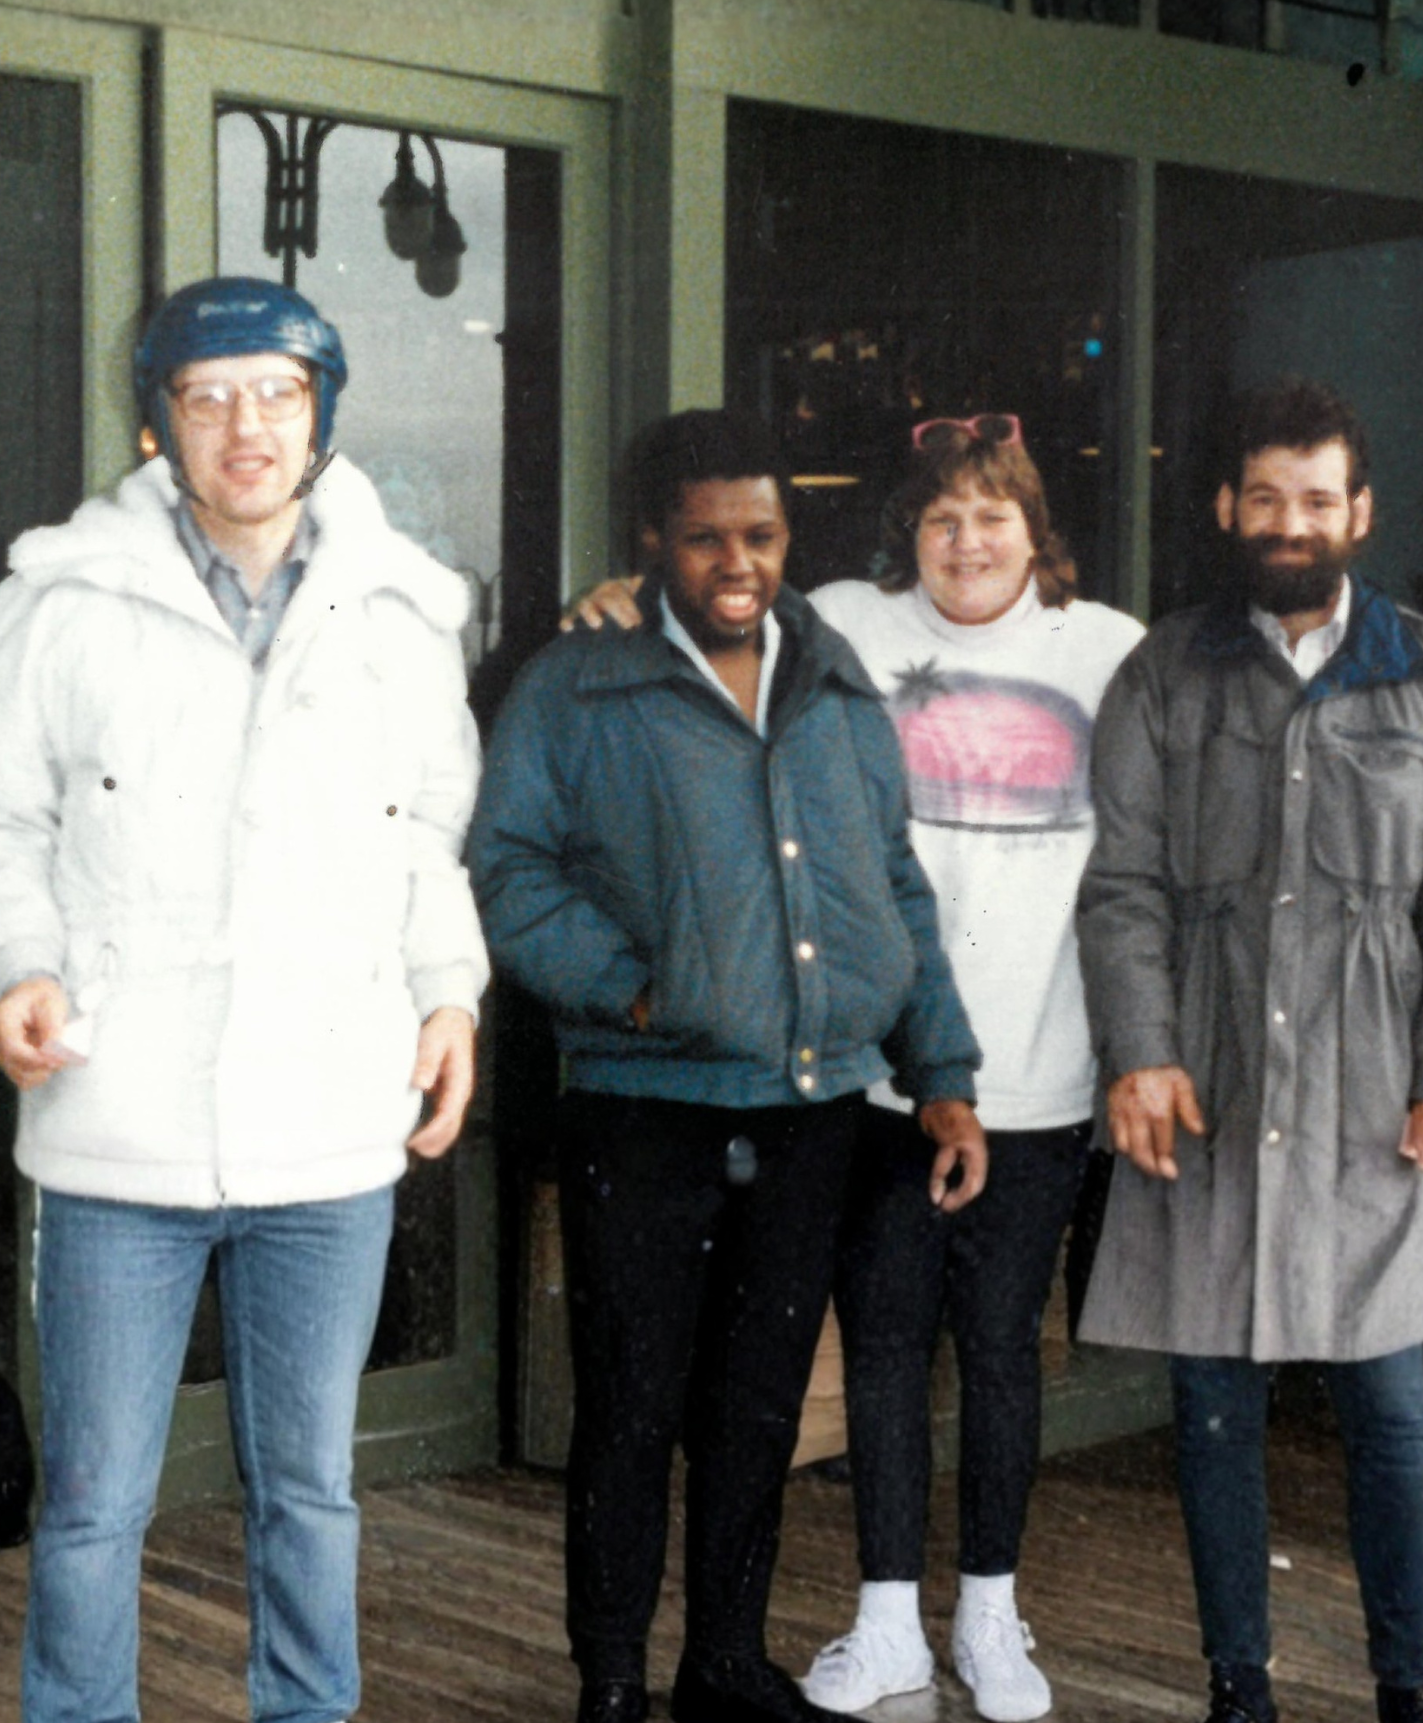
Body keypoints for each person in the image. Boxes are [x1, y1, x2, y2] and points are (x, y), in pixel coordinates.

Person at [0, 276, 487, 1723]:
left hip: (331, 1127)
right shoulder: (60, 606)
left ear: (321, 417)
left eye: (278, 392)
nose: (247, 425)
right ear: (158, 420)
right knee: (95, 1497)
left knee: (311, 1485)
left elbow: (426, 834)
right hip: (119, 1123)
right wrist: (20, 963)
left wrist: (450, 993)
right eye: (210, 393)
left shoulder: (403, 618)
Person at [567, 412, 1144, 1722]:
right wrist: (602, 597)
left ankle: (991, 1614)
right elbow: (701, 615)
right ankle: (889, 1618)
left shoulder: (1107, 650)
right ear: (909, 534)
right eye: (942, 517)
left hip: (1038, 1073)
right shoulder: (847, 624)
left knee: (1000, 1347)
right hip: (873, 1078)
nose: (967, 540)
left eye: (993, 514)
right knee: (882, 1343)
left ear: (1035, 530)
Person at [467, 408, 988, 1723]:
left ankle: (725, 1663)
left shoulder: (833, 675)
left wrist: (943, 1068)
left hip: (811, 1108)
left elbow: (891, 882)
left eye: (760, 533)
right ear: (654, 542)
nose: (738, 562)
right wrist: (629, 985)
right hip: (644, 1110)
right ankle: (615, 1679)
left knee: (757, 1411)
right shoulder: (574, 685)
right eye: (706, 539)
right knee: (633, 1410)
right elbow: (505, 868)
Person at [1074, 378, 1423, 1723]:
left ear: (1361, 511)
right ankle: (1241, 1685)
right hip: (1206, 1088)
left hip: (1369, 1094)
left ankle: (1408, 1687)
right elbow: (1124, 885)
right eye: (1265, 498)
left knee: (1388, 1406)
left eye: (1318, 499)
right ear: (1227, 507)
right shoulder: (1164, 671)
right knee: (1212, 1400)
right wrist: (1142, 1050)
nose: (1291, 522)